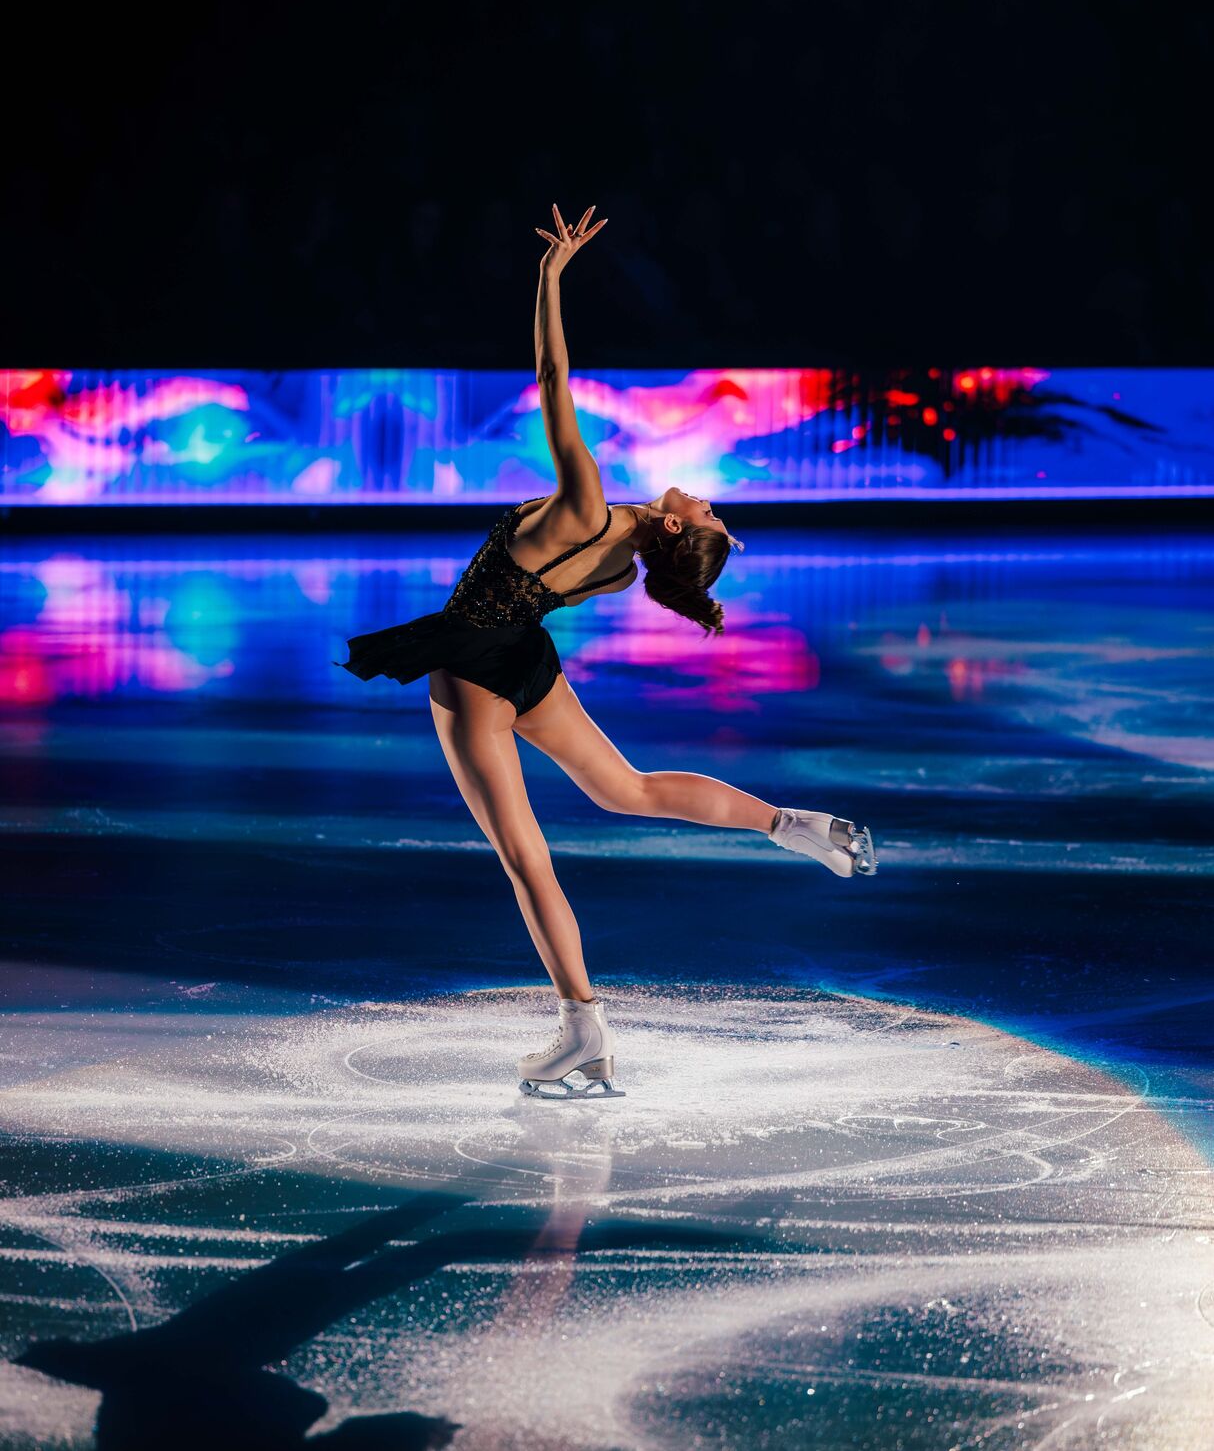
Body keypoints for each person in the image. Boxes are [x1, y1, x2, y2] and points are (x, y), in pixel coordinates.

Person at [335, 202, 878, 1100]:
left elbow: (553, 379)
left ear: (671, 523)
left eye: (707, 511)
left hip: (475, 666)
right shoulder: (624, 567)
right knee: (625, 790)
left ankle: (582, 1030)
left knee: (525, 854)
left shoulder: (590, 510)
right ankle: (796, 827)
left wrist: (551, 278)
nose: (705, 500)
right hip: (525, 660)